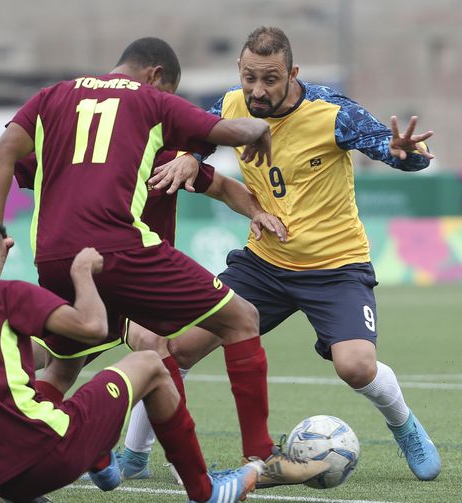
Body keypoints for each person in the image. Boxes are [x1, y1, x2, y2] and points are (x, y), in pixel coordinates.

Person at [0, 37, 326, 491]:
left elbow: (1, 153)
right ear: (156, 76)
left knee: (66, 365)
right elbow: (227, 131)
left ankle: (33, 454)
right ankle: (258, 458)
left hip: (55, 259)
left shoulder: (53, 96)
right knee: (240, 319)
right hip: (124, 251)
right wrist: (259, 130)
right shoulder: (151, 102)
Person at [147, 26, 443, 483]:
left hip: (335, 267)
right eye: (249, 78)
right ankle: (134, 455)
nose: (257, 90)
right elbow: (201, 136)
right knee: (178, 349)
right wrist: (189, 155)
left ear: (293, 74)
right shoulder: (232, 105)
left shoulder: (332, 113)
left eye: (269, 79)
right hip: (263, 265)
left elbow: (392, 149)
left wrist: (407, 154)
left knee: (356, 366)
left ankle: (404, 425)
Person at [0, 208, 265, 503]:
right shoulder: (3, 293)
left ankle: (99, 457)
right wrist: (83, 273)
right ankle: (204, 491)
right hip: (43, 455)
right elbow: (93, 327)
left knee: (55, 369)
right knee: (149, 363)